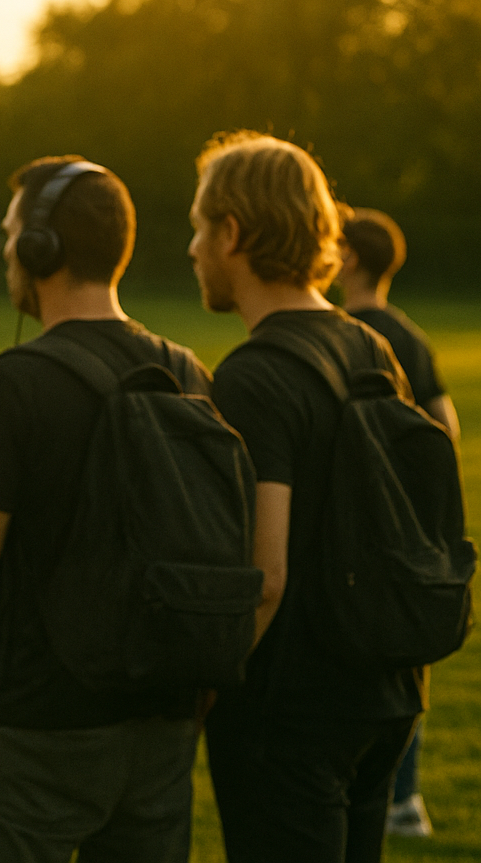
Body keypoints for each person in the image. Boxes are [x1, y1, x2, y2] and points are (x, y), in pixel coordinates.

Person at [0, 156, 209, 862]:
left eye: (11, 232)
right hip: (161, 722)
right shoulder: (189, 372)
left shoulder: (12, 383)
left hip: (32, 729)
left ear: (40, 247)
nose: (6, 249)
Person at [189, 131, 422, 863]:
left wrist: (202, 689)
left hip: (294, 710)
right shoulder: (369, 346)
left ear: (233, 232)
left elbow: (268, 575)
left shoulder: (253, 376)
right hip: (384, 688)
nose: (191, 247)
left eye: (198, 227)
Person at [338, 206, 459, 839]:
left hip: (361, 530)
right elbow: (446, 427)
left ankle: (375, 798)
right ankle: (403, 800)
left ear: (350, 259)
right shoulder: (410, 335)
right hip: (410, 528)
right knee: (400, 665)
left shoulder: (345, 334)